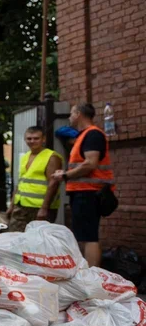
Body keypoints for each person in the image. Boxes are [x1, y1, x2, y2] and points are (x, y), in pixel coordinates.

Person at [52, 103, 114, 267]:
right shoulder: (84, 135)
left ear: (78, 114)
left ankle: (91, 275)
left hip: (89, 192)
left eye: (72, 113)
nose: (70, 117)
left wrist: (65, 175)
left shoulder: (93, 135)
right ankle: (86, 273)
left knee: (88, 237)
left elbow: (90, 164)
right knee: (83, 235)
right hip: (83, 192)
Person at [7, 126, 63, 233]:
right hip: (21, 205)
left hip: (39, 207)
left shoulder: (51, 157)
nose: (32, 141)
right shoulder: (25, 157)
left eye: (36, 138)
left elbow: (53, 184)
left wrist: (44, 208)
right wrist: (12, 205)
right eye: (29, 138)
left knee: (38, 241)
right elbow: (20, 183)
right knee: (15, 237)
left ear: (43, 139)